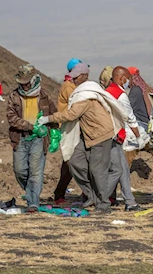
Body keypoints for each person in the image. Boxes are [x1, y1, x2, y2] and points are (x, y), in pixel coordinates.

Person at [38, 63, 127, 213]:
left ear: (84, 77)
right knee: (74, 161)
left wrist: (48, 119)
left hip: (100, 135)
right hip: (87, 135)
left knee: (97, 170)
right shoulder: (81, 92)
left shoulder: (86, 95)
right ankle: (91, 194)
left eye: (76, 77)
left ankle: (103, 204)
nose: (72, 80)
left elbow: (71, 114)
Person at [6, 65, 57, 212]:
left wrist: (54, 133)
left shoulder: (44, 96)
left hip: (39, 139)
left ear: (34, 80)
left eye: (27, 82)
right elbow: (11, 117)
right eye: (22, 83)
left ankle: (33, 202)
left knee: (36, 171)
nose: (24, 85)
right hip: (20, 137)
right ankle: (30, 191)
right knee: (20, 170)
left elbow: (53, 115)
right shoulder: (14, 96)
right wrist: (30, 127)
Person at [105, 66, 142, 211]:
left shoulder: (107, 91)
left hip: (111, 135)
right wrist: (139, 137)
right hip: (112, 137)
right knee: (117, 170)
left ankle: (130, 202)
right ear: (122, 78)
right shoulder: (121, 95)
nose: (129, 81)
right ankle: (99, 198)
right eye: (128, 78)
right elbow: (130, 118)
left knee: (124, 169)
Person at [53, 58, 84, 205]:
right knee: (69, 162)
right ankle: (59, 193)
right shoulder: (68, 87)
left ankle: (86, 193)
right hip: (69, 128)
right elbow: (76, 105)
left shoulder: (73, 85)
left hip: (76, 127)